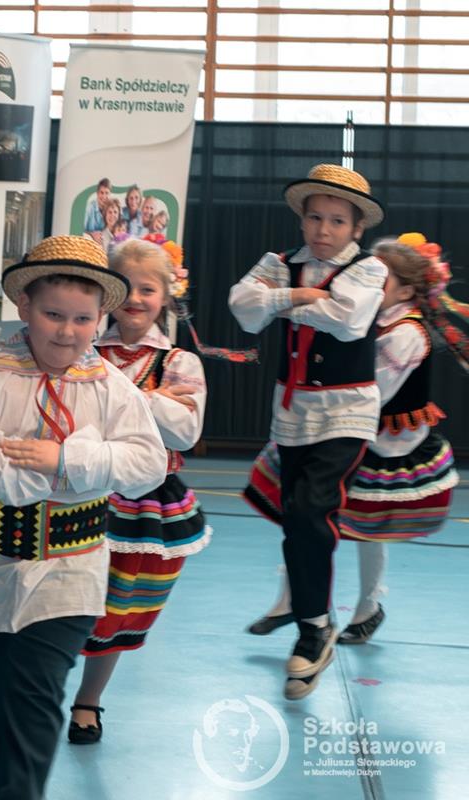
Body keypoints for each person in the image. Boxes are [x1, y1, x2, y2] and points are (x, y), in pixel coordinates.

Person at [0, 235, 165, 799]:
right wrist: (62, 477)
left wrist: (63, 459)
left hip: (70, 574)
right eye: (53, 315)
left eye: (83, 319)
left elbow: (147, 464)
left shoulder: (111, 387)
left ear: (100, 319)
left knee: (36, 696)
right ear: (25, 307)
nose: (67, 331)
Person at [244, 233, 465, 647]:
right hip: (347, 428)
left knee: (364, 527)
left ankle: (367, 606)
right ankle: (291, 599)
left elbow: (372, 389)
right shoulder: (367, 316)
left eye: (381, 278)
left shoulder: (406, 332)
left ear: (407, 291)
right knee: (305, 515)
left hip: (385, 444)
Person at [228, 163, 388, 701]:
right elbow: (243, 309)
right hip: (293, 412)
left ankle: (312, 628)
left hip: (346, 410)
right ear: (302, 219)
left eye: (337, 221)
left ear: (356, 227)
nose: (323, 229)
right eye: (315, 217)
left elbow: (348, 320)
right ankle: (315, 623)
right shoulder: (281, 263)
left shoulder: (369, 269)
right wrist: (299, 298)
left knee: (309, 509)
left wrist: (282, 300)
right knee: (295, 519)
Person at [68, 237, 211, 745]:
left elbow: (185, 432)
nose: (135, 298)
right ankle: (41, 686)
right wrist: (151, 399)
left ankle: (88, 700)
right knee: (64, 597)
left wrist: (126, 397)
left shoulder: (180, 362)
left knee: (116, 608)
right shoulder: (82, 348)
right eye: (125, 286)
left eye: (147, 289)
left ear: (166, 296)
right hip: (81, 489)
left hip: (144, 503)